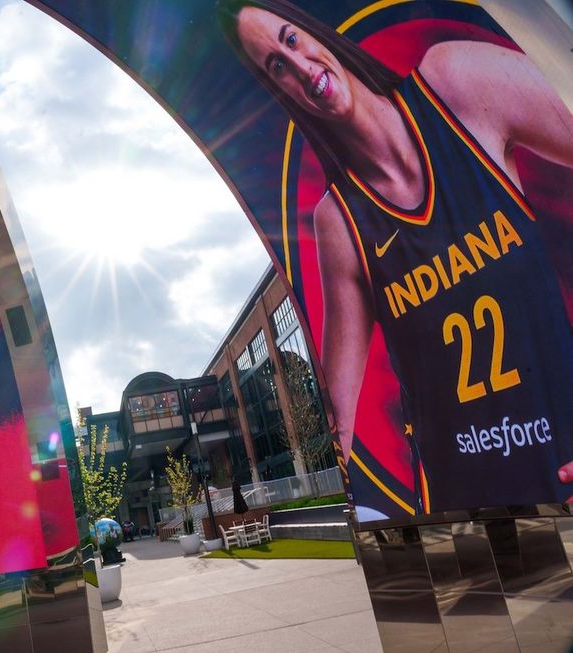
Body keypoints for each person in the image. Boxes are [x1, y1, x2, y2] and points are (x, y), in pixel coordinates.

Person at [218, 0, 573, 512]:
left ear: (314, 34)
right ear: (278, 92)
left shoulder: (457, 83)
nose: (297, 65)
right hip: (471, 520)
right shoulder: (340, 222)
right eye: (276, 66)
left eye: (290, 40)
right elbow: (336, 423)